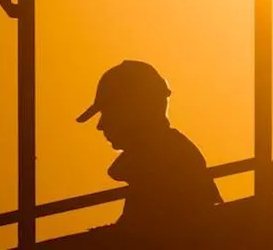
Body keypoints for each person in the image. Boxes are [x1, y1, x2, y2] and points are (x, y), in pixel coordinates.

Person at [76, 60, 222, 246]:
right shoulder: (163, 154)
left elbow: (140, 236)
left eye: (108, 112)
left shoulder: (160, 161)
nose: (100, 125)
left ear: (133, 110)